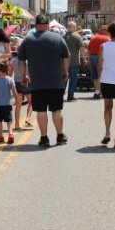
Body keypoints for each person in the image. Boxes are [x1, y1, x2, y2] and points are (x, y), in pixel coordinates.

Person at [18, 13, 70, 147]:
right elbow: (66, 57)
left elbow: (21, 61)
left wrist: (24, 76)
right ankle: (60, 136)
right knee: (56, 110)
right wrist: (65, 71)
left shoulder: (28, 40)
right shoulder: (57, 38)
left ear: (36, 25)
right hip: (55, 81)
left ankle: (44, 138)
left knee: (41, 111)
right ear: (47, 25)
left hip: (37, 82)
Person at [0, 59, 19, 144]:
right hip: (8, 104)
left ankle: (1, 136)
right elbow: (14, 91)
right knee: (9, 121)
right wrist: (17, 101)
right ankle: (10, 134)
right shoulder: (10, 79)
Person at [11, 52, 33, 130]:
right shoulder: (28, 60)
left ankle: (17, 124)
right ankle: (27, 118)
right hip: (27, 82)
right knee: (31, 102)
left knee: (18, 105)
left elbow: (10, 74)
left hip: (17, 83)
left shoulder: (13, 61)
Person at [63, 21, 84, 101]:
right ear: (74, 28)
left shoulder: (63, 37)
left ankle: (60, 95)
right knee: (73, 80)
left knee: (64, 79)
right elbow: (82, 49)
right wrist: (84, 59)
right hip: (74, 61)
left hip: (64, 62)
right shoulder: (77, 37)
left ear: (68, 27)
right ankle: (70, 96)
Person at [87, 25, 109, 99]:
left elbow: (88, 49)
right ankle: (102, 92)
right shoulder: (106, 38)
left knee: (95, 76)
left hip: (92, 56)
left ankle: (97, 91)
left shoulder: (93, 37)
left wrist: (88, 60)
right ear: (105, 31)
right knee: (103, 75)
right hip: (101, 58)